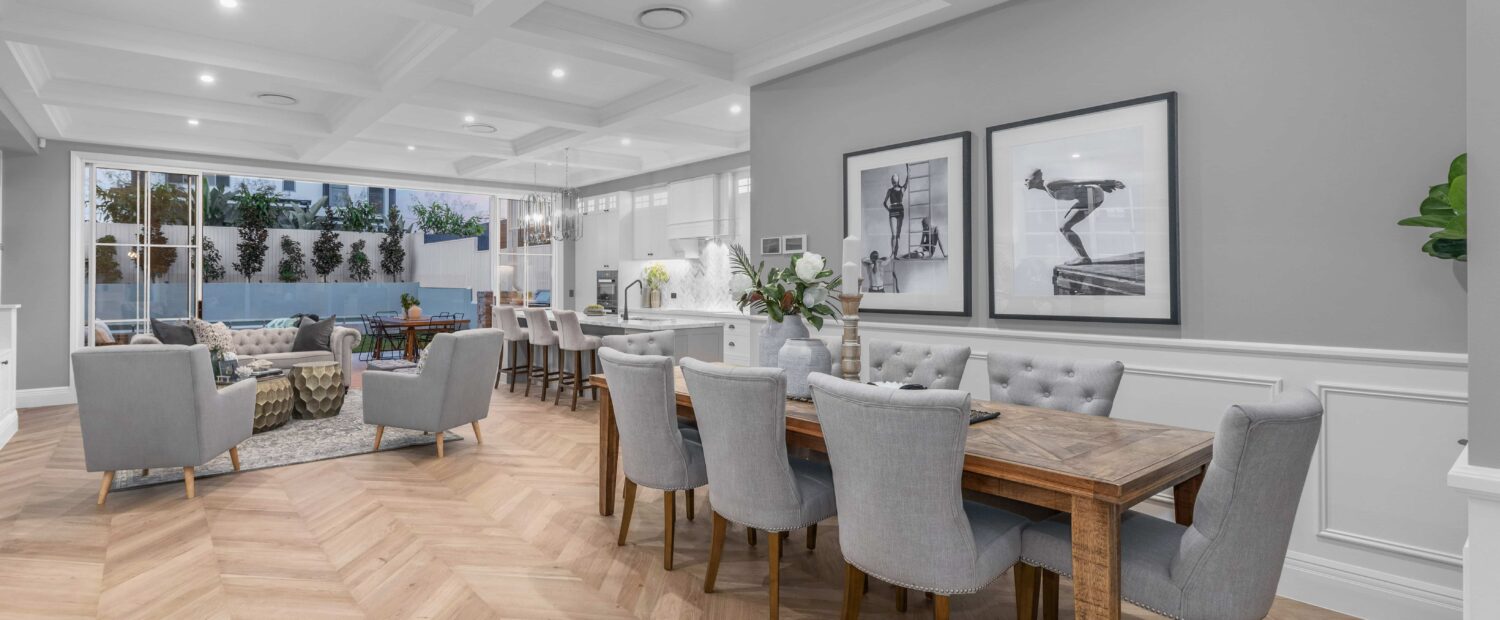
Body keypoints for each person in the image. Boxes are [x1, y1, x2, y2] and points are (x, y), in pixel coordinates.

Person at [1025, 169, 1125, 266]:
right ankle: (1083, 257)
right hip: (1089, 196)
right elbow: (1077, 187)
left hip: (1092, 196)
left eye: (1027, 179)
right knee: (1063, 227)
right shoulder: (1046, 188)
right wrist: (1100, 186)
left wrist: (1108, 182)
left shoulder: (1050, 184)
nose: (1025, 181)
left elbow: (1076, 182)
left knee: (1064, 227)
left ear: (1036, 179)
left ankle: (1084, 258)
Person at [882, 165, 909, 260]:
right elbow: (884, 202)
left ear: (897, 181)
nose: (893, 183)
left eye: (894, 181)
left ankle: (895, 254)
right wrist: (888, 210)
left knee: (898, 234)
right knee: (894, 234)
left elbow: (907, 181)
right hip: (893, 212)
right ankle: (892, 253)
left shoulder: (902, 189)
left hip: (900, 211)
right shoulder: (890, 190)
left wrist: (908, 169)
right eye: (892, 181)